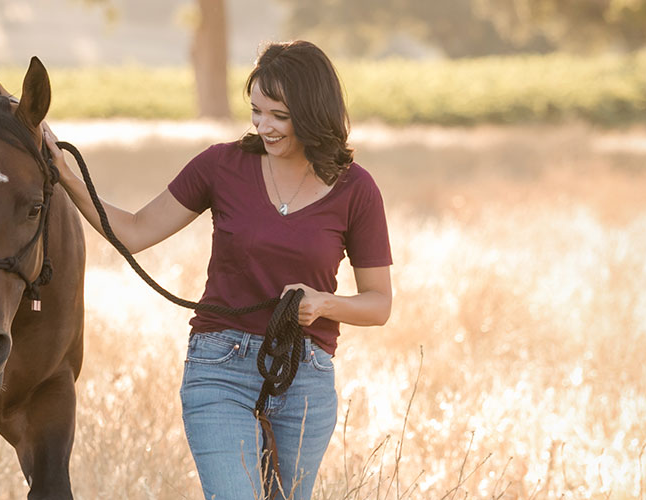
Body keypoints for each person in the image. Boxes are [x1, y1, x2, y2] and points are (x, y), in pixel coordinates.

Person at [45, 40, 393, 499]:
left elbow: (379, 303)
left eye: (279, 116)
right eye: (256, 111)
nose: (263, 126)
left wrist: (323, 303)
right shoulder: (221, 165)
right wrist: (68, 176)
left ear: (312, 112)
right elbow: (132, 230)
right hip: (219, 366)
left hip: (304, 372)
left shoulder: (356, 189)